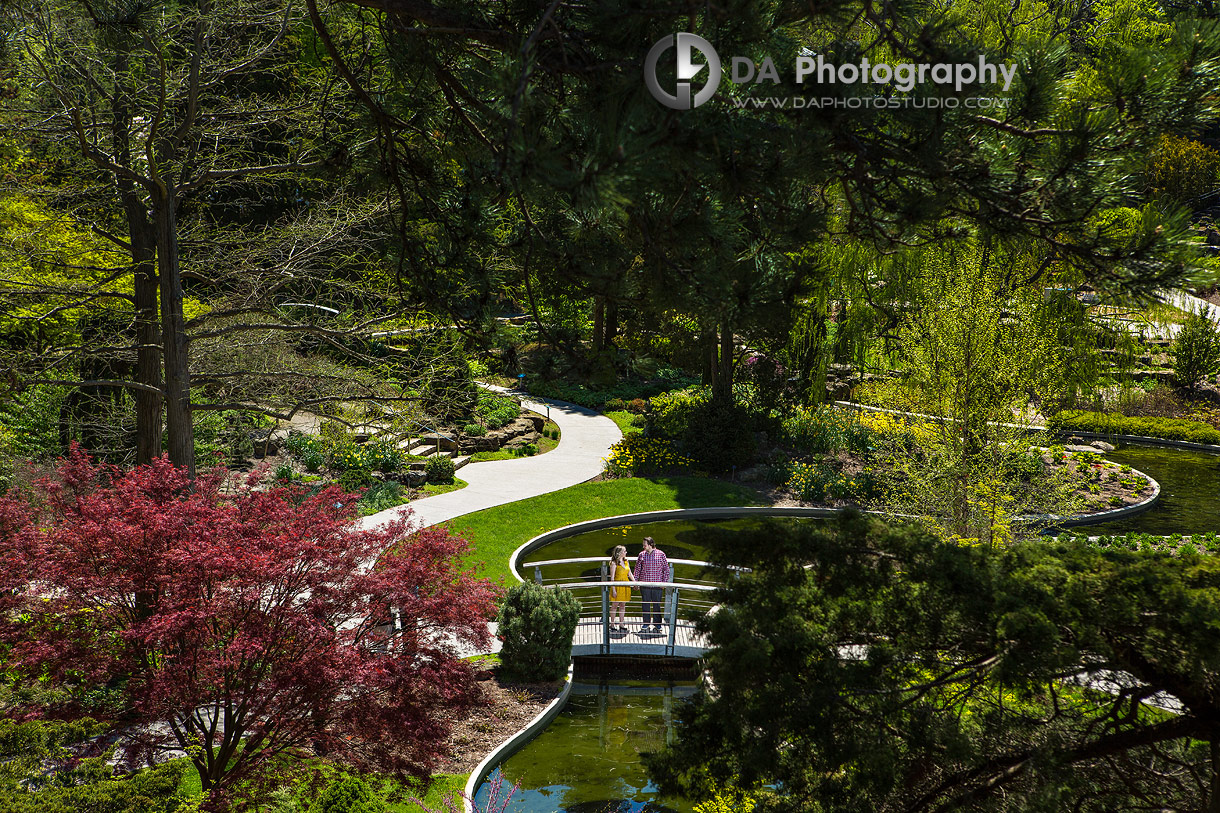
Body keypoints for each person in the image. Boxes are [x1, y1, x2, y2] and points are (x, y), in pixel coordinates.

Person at [633, 536, 669, 634]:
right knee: (645, 604)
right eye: (643, 545)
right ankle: (646, 623)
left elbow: (666, 570)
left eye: (645, 545)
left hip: (657, 585)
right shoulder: (641, 555)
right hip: (644, 585)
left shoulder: (661, 554)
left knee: (657, 605)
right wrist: (635, 582)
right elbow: (637, 570)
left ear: (651, 545)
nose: (643, 546)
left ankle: (657, 624)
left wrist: (664, 583)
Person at [608, 545, 631, 633]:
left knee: (622, 605)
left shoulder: (626, 561)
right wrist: (613, 589)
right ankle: (612, 624)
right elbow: (612, 578)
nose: (626, 553)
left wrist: (635, 582)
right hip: (617, 586)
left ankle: (621, 624)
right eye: (624, 551)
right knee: (614, 606)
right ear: (620, 553)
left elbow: (629, 573)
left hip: (625, 585)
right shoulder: (614, 563)